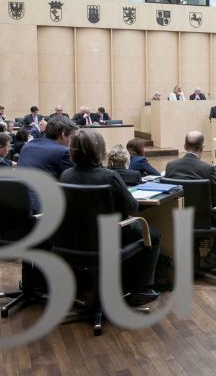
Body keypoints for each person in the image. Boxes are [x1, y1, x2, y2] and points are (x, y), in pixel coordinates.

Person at [59, 130, 161, 307]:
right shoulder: (109, 176)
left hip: (74, 240)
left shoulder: (65, 175)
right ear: (100, 150)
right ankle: (141, 288)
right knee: (153, 235)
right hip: (109, 240)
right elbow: (132, 208)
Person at [164, 131, 216, 266]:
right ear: (202, 147)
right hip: (202, 221)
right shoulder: (207, 169)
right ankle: (213, 254)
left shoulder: (170, 166)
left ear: (184, 146)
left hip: (176, 218)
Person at [17, 115, 77, 181]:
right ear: (63, 135)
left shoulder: (27, 146)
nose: (71, 141)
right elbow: (72, 180)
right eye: (72, 136)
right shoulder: (64, 152)